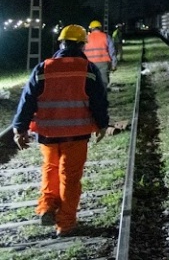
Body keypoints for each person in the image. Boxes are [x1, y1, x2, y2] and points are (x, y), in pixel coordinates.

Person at [11, 24, 109, 237]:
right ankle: (65, 224)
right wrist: (102, 124)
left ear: (61, 43)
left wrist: (20, 129)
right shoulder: (88, 69)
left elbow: (27, 100)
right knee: (70, 178)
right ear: (83, 45)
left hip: (47, 135)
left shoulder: (44, 67)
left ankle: (46, 207)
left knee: (50, 169)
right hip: (76, 134)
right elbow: (98, 101)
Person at [82, 20, 117, 87]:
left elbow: (81, 51)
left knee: (91, 82)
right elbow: (112, 51)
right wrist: (114, 64)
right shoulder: (106, 37)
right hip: (104, 63)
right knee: (103, 82)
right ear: (100, 28)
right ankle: (103, 95)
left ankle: (93, 96)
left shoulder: (85, 38)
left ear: (91, 28)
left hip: (90, 64)